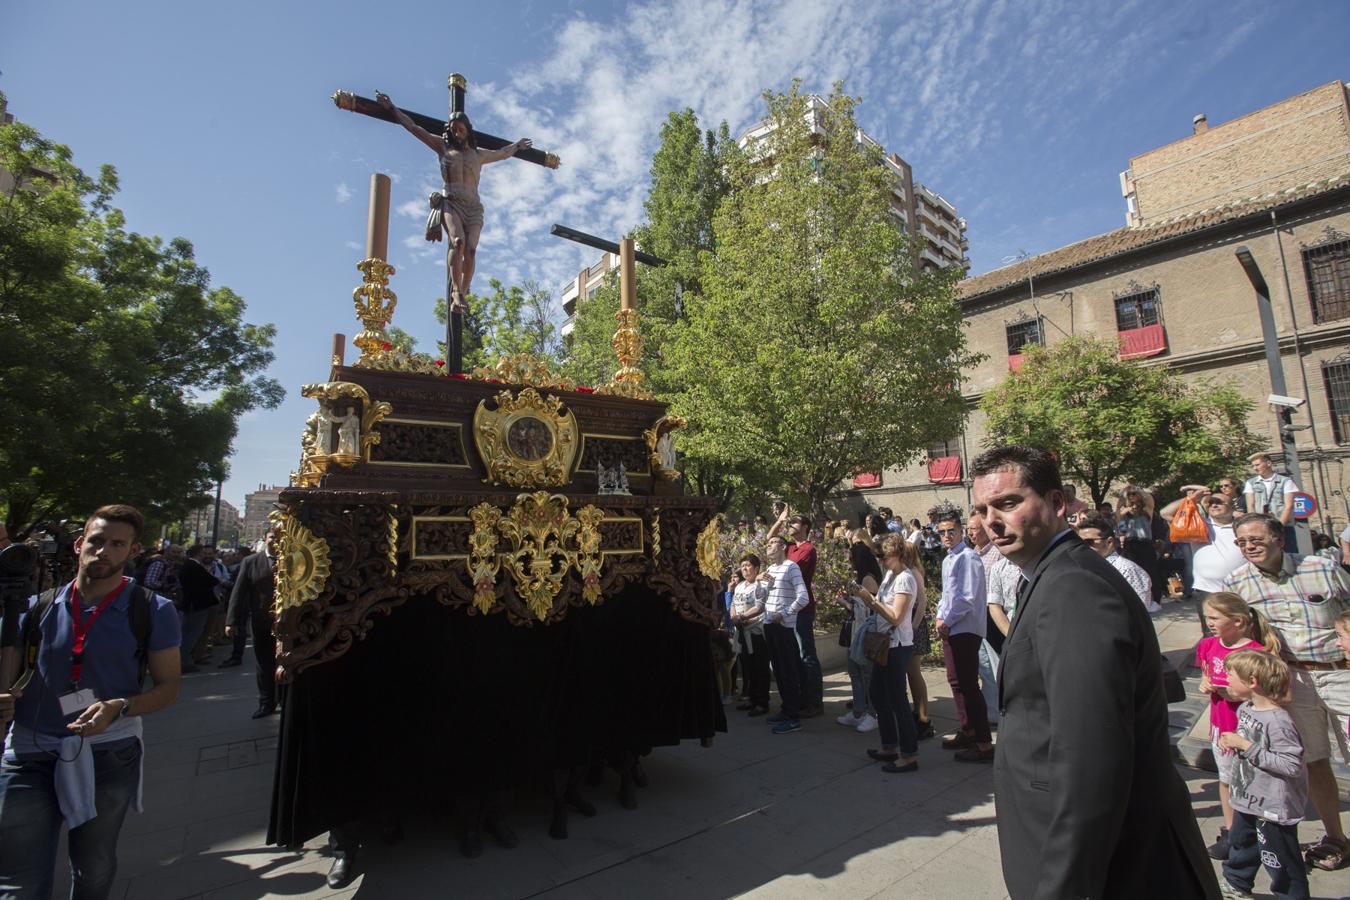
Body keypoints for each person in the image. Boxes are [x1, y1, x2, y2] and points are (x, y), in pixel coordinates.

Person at [971, 444, 1217, 899]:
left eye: (1008, 503)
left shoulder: (1074, 589)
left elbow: (1091, 759)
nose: (991, 520)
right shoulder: (1051, 576)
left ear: (1058, 503)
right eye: (983, 509)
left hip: (1114, 868)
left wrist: (1063, 887)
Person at [0, 505, 182, 899]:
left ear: (132, 551)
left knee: (93, 867)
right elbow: (10, 674)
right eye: (97, 541)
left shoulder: (153, 610)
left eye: (117, 544)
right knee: (18, 879)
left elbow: (169, 687)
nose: (104, 551)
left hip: (108, 752)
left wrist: (121, 706)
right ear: (81, 544)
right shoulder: (36, 608)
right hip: (29, 753)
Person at [1221, 512, 1350, 872]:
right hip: (1294, 681)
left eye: (1256, 539)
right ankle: (1336, 837)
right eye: (1242, 542)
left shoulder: (1320, 568)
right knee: (1314, 760)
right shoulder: (1238, 582)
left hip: (1342, 674)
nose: (1249, 547)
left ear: (1279, 539)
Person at [375, 91, 535, 312]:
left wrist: (517, 145)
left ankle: (463, 292)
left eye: (461, 129)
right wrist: (393, 108)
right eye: (453, 129)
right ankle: (455, 291)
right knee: (458, 242)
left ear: (468, 130)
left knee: (471, 250)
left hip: (473, 207)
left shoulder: (479, 155)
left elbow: (503, 153)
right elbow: (414, 128)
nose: (457, 132)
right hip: (452, 203)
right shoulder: (443, 148)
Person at [1194, 592, 1281, 861]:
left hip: (1249, 728)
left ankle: (1261, 832)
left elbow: (1271, 693)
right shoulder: (1208, 645)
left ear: (1239, 621)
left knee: (1254, 781)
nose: (1209, 622)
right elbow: (1205, 674)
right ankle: (1232, 831)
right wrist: (1206, 684)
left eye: (1214, 617)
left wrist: (1235, 693)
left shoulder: (1257, 652)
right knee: (1226, 779)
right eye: (1207, 617)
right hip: (1222, 727)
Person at [1217, 650, 1310, 900]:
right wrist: (1233, 741)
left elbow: (1291, 764)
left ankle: (1291, 895)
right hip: (1248, 797)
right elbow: (1248, 742)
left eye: (1231, 674)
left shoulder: (1278, 721)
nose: (1226, 678)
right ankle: (1236, 884)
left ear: (1252, 681)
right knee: (1241, 844)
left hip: (1272, 806)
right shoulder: (1246, 708)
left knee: (1278, 856)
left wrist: (1246, 746)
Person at [851, 534, 920, 773]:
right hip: (885, 645)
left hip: (897, 645)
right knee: (878, 695)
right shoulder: (891, 574)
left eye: (884, 556)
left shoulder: (905, 579)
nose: (881, 561)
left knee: (898, 700)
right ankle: (889, 745)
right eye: (879, 556)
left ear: (898, 555)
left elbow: (895, 617)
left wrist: (868, 599)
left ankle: (909, 754)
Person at [933, 509, 994, 762]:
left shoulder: (967, 558)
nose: (947, 536)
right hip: (952, 626)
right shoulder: (949, 559)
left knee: (968, 685)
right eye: (942, 532)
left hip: (965, 627)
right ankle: (967, 729)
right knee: (956, 682)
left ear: (961, 532)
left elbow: (966, 598)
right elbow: (947, 595)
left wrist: (947, 621)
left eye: (951, 531)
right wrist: (939, 616)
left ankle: (983, 743)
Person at [766, 510, 822, 718]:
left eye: (794, 522)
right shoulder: (788, 547)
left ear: (805, 527)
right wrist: (779, 521)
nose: (790, 525)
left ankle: (814, 702)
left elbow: (791, 569)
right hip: (786, 611)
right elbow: (769, 539)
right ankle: (800, 699)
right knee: (794, 656)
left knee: (807, 655)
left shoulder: (807, 549)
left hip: (802, 610)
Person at [226, 527, 280, 719]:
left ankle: (282, 697)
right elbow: (239, 592)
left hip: (287, 624)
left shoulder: (292, 559)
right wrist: (231, 621)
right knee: (264, 663)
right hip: (262, 621)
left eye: (280, 537)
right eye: (273, 537)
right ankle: (266, 702)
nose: (276, 540)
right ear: (265, 539)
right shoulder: (251, 562)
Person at [761, 535, 809, 735]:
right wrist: (761, 584)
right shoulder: (770, 570)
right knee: (779, 671)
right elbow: (761, 597)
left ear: (782, 546)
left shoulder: (792, 567)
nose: (768, 546)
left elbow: (803, 597)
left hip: (784, 627)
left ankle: (793, 717)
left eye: (772, 542)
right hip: (769, 625)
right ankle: (785, 709)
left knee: (788, 672)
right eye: (768, 543)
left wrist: (785, 613)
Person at [836, 530, 881, 734]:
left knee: (867, 674)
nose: (849, 562)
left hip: (865, 632)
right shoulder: (861, 578)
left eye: (851, 559)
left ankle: (872, 713)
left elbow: (868, 609)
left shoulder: (868, 580)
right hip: (857, 631)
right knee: (854, 671)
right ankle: (858, 711)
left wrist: (844, 602)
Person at [1073, 511, 1157, 612]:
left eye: (1089, 542)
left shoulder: (1128, 570)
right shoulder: (1082, 567)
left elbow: (1139, 612)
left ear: (1109, 542)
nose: (1084, 547)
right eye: (1080, 543)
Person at [965, 509, 1001, 729]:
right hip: (975, 618)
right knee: (984, 667)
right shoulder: (973, 554)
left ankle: (999, 710)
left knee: (995, 665)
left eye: (974, 529)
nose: (971, 533)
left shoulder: (996, 553)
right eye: (968, 529)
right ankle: (991, 711)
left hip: (991, 616)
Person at [729, 554, 769, 717]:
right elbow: (733, 603)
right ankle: (751, 698)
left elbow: (760, 607)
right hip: (741, 632)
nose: (744, 569)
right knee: (747, 667)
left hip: (756, 632)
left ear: (757, 568)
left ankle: (762, 702)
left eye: (748, 565)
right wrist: (734, 617)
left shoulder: (760, 585)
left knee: (760, 668)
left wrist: (743, 617)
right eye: (742, 565)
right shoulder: (739, 586)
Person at [1116, 485, 1166, 607]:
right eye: (1130, 496)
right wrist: (1125, 495)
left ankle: (1155, 600)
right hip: (1129, 545)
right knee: (1132, 572)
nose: (1133, 498)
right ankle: (1135, 600)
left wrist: (1137, 490)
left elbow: (1148, 499)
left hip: (1145, 544)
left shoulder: (1146, 511)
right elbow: (1118, 509)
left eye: (1134, 495)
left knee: (1151, 572)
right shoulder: (1123, 514)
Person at [176, 545, 219, 673]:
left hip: (193, 603)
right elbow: (211, 581)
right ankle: (182, 662)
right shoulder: (193, 566)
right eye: (202, 553)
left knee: (189, 632)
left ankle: (184, 659)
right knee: (191, 633)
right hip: (198, 604)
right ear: (198, 553)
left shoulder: (188, 565)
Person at [1244, 452, 1298, 549]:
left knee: (1288, 554)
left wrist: (1279, 527)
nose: (1255, 468)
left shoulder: (1285, 481)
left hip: (1283, 526)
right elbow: (1250, 506)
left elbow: (1289, 506)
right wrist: (1255, 524)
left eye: (1257, 465)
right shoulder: (1251, 483)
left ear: (1268, 463)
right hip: (1261, 527)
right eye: (1253, 466)